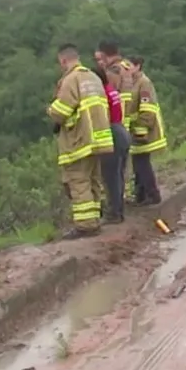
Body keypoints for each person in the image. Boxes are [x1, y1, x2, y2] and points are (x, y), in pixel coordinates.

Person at [47, 44, 113, 239]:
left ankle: (86, 226)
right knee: (93, 180)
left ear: (63, 60)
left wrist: (50, 110)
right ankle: (94, 220)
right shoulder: (93, 77)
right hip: (98, 139)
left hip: (79, 140)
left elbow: (61, 112)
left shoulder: (70, 80)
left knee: (78, 182)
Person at [91, 66, 130, 223]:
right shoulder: (112, 90)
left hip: (112, 133)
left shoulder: (102, 94)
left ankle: (114, 213)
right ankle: (118, 210)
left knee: (110, 177)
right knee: (118, 175)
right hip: (121, 131)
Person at [126, 56, 166, 206]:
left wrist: (141, 130)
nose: (126, 69)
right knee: (138, 164)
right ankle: (141, 195)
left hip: (144, 131)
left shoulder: (144, 83)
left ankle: (152, 194)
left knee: (142, 163)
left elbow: (147, 110)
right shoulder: (131, 83)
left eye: (128, 66)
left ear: (138, 66)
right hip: (136, 130)